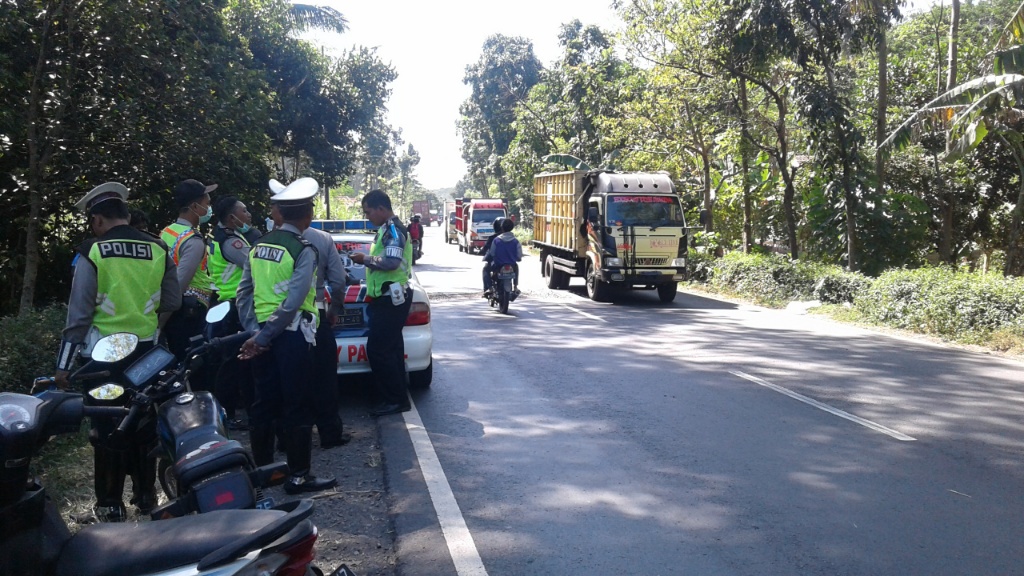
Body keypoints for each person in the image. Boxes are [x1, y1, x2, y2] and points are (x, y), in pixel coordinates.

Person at [56, 182, 181, 521]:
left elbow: (78, 316)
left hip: (102, 357)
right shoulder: (158, 248)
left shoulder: (92, 251)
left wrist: (63, 365)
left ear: (97, 220)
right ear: (125, 214)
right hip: (147, 354)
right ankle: (146, 497)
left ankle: (110, 505)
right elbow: (172, 300)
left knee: (106, 427)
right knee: (144, 424)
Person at [236, 177, 336, 494]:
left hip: (260, 336)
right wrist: (264, 337)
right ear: (308, 215)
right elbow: (294, 302)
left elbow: (243, 293)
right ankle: (298, 476)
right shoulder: (303, 249)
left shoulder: (258, 246)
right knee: (297, 403)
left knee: (263, 403)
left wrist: (255, 333)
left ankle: (264, 475)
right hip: (291, 337)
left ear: (279, 214)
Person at [269, 178, 350, 448]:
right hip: (316, 317)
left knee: (286, 381)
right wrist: (334, 310)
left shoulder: (266, 242)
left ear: (280, 211)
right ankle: (329, 433)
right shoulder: (322, 239)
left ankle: (287, 439)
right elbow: (338, 281)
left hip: (277, 322)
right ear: (307, 212)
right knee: (324, 378)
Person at [350, 189, 413, 417]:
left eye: (368, 212)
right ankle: (397, 398)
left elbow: (392, 262)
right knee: (392, 349)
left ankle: (394, 399)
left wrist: (364, 259)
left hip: (391, 298)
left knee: (378, 350)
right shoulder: (386, 229)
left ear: (381, 208)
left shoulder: (393, 230)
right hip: (387, 297)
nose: (368, 217)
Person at [207, 196, 255, 430]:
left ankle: (234, 410)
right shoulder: (230, 242)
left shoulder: (222, 236)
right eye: (244, 211)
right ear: (231, 217)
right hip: (233, 305)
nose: (248, 214)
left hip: (227, 303)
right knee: (232, 364)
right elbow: (255, 264)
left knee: (235, 361)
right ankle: (227, 414)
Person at [160, 179, 217, 365]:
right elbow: (178, 285)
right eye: (207, 204)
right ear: (194, 206)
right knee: (192, 366)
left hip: (170, 309)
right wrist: (158, 325)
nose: (209, 208)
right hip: (187, 312)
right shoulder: (193, 240)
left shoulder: (166, 232)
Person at [488, 217, 522, 293]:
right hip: (512, 265)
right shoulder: (516, 241)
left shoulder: (496, 240)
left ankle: (490, 288)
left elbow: (492, 253)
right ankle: (515, 286)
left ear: (502, 228)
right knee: (516, 267)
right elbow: (519, 256)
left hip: (498, 266)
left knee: (488, 269)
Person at [481, 217, 505, 297]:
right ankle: (515, 287)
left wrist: (482, 252)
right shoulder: (512, 238)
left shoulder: (493, 238)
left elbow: (487, 250)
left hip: (496, 263)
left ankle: (489, 288)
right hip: (510, 262)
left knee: (485, 269)